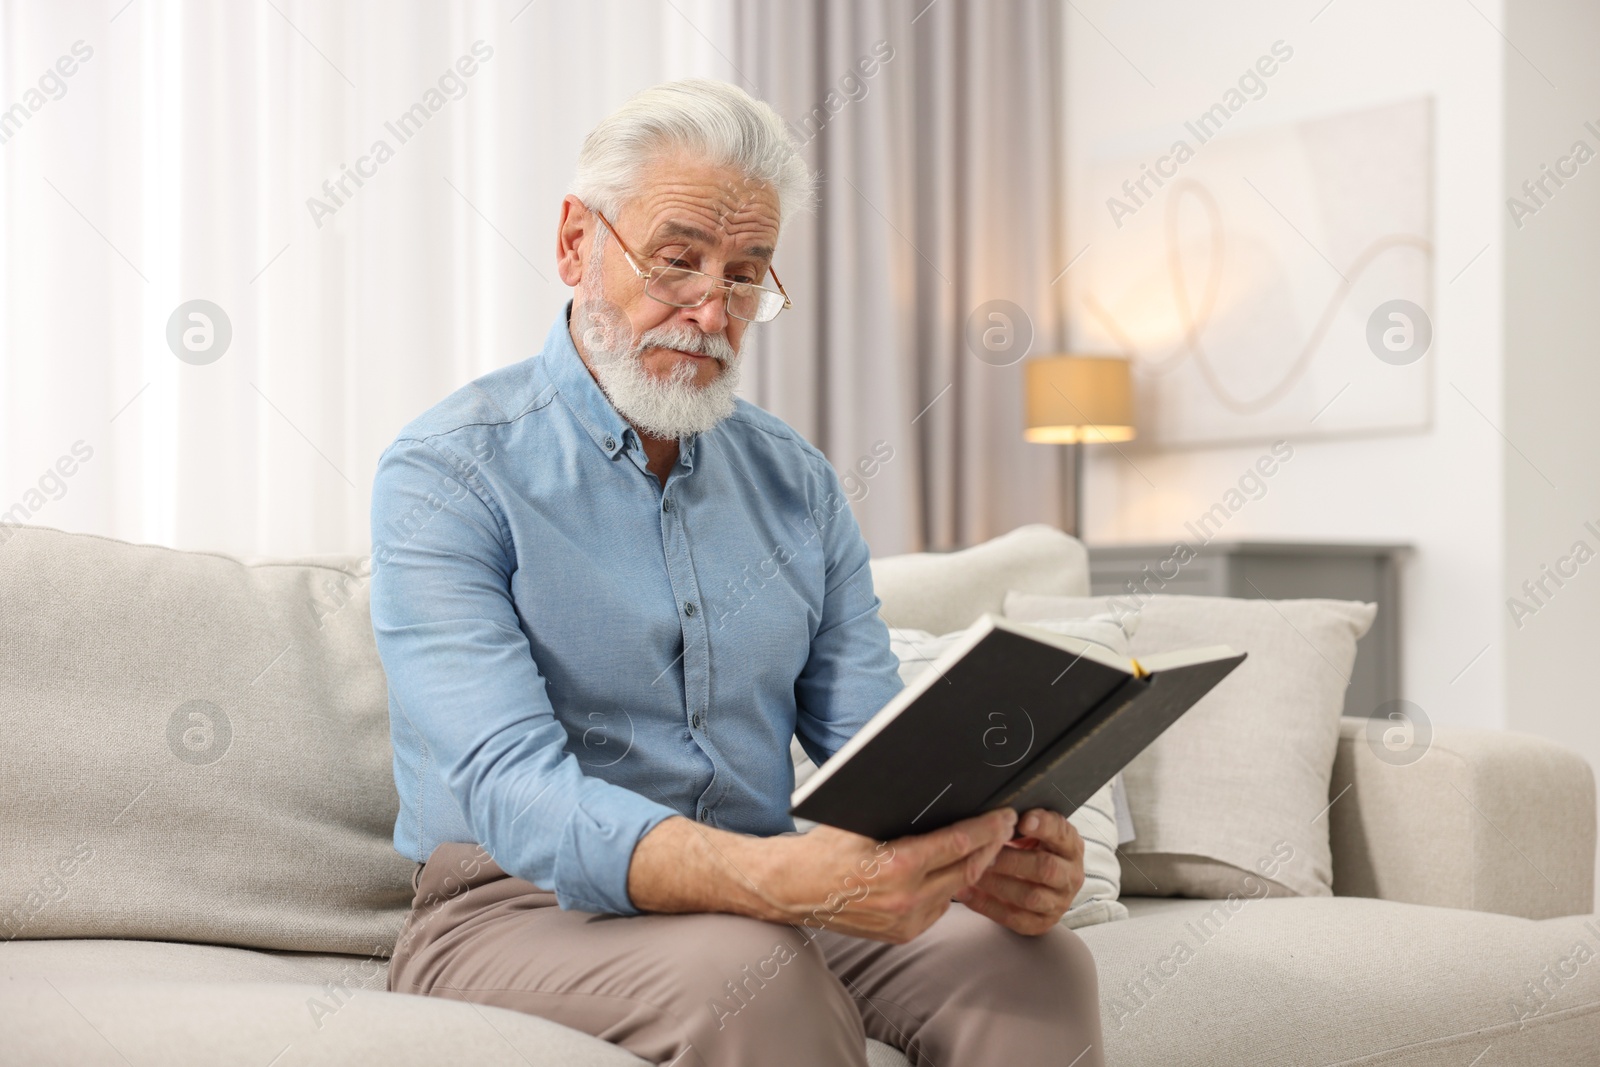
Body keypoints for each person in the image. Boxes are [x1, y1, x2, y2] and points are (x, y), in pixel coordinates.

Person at [370, 77, 1103, 1067]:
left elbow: (870, 747)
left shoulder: (795, 480)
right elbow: (512, 790)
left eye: (748, 273)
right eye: (678, 261)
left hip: (774, 887)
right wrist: (774, 880)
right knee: (746, 978)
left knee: (1031, 967)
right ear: (576, 243)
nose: (712, 309)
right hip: (515, 902)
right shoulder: (448, 471)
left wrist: (982, 852)